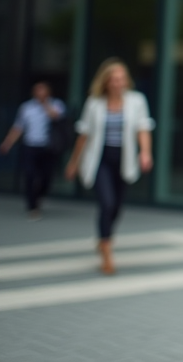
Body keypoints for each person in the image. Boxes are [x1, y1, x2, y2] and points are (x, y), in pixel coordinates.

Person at [64, 59, 154, 275]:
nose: (118, 83)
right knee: (107, 202)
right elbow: (83, 136)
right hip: (100, 159)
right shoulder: (94, 103)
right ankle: (106, 249)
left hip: (123, 159)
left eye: (122, 79)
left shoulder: (136, 101)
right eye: (114, 79)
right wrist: (73, 163)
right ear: (105, 82)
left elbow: (143, 129)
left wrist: (145, 153)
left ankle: (104, 237)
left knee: (117, 208)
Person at [1, 81, 68, 219]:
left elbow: (57, 118)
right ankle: (32, 206)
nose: (40, 94)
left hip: (48, 147)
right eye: (37, 91)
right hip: (30, 146)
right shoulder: (26, 108)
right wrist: (7, 143)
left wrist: (45, 104)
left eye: (43, 91)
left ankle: (39, 197)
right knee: (30, 175)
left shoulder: (56, 104)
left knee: (47, 176)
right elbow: (18, 127)